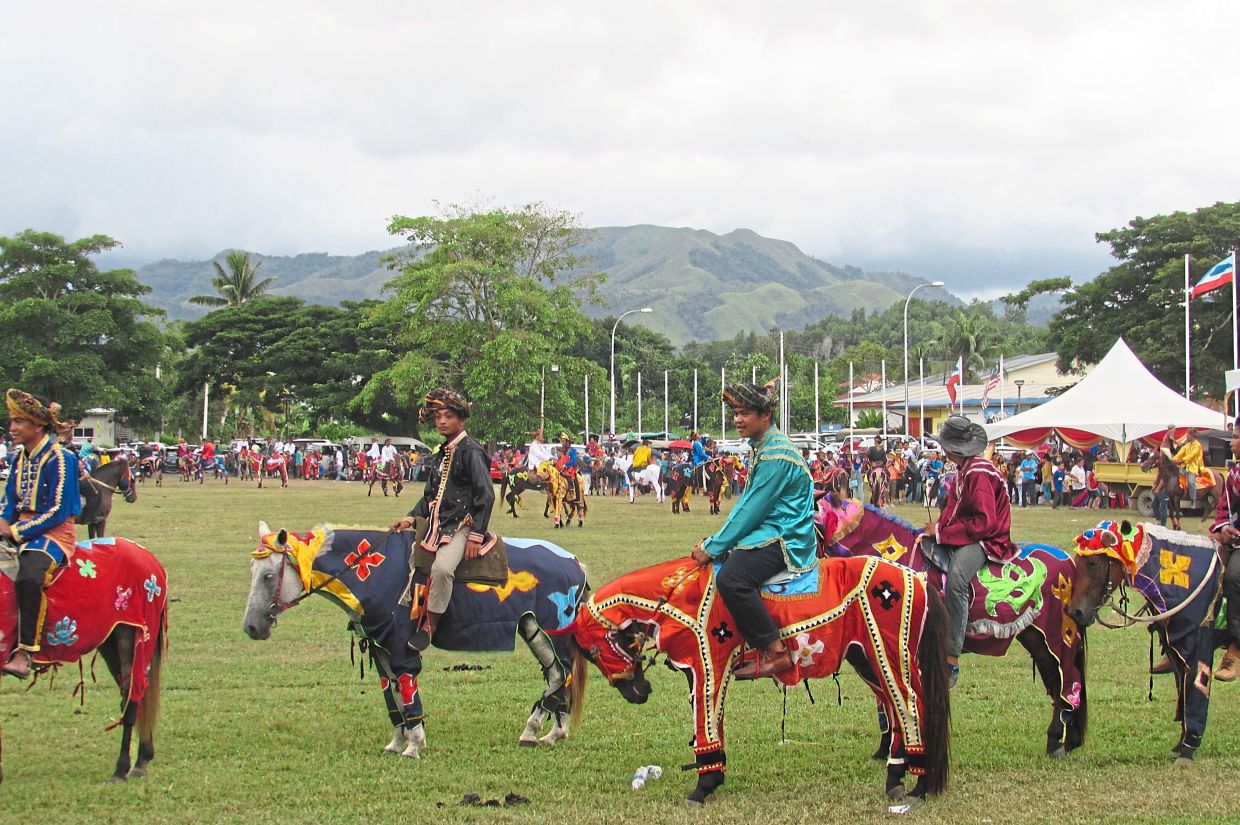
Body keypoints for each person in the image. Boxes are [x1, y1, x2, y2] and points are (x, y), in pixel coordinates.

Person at [690, 381, 815, 680]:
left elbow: (750, 511)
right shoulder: (763, 448)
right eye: (735, 413)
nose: (737, 420)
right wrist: (717, 541)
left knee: (732, 579)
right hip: (769, 529)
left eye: (745, 413)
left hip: (785, 537)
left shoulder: (775, 456)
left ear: (766, 415)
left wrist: (712, 547)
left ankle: (776, 651)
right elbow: (745, 504)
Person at [392, 389, 495, 653]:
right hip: (437, 524)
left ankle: (430, 627)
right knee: (404, 556)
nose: (441, 421)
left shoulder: (471, 451)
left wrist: (476, 535)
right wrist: (409, 518)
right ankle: (402, 613)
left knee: (442, 569)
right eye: (438, 416)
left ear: (462, 420)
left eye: (448, 416)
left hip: (462, 525)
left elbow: (486, 493)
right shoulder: (442, 453)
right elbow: (429, 496)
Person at [921, 415, 1018, 688]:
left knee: (957, 579)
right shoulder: (964, 470)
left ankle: (951, 657)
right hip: (969, 533)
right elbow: (953, 511)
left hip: (987, 539)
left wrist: (942, 533)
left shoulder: (979, 472)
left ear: (952, 448)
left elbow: (984, 523)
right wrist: (937, 528)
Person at [0, 389, 82, 679]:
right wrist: (2, 521)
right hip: (19, 529)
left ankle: (25, 651)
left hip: (54, 535)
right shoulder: (18, 459)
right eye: (11, 422)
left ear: (37, 426)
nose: (11, 428)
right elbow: (9, 501)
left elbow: (59, 510)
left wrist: (15, 531)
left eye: (17, 422)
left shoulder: (62, 459)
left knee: (29, 576)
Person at [1211, 430, 1240, 681]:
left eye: (1238, 436)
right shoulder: (1234, 475)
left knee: (1233, 577)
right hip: (1234, 540)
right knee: (1203, 566)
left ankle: (1235, 649)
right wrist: (1223, 528)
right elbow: (1223, 510)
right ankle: (1195, 642)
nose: (1232, 442)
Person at [1173, 428, 1204, 508]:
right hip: (1184, 467)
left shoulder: (1198, 445)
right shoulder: (1187, 445)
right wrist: (1172, 460)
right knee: (1174, 476)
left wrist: (1181, 461)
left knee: (1190, 482)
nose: (1186, 437)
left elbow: (1191, 456)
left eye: (1188, 435)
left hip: (1194, 468)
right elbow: (1179, 454)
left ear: (1192, 436)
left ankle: (1193, 500)